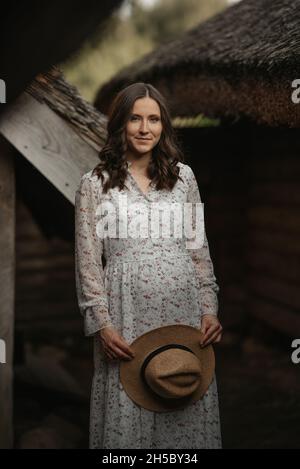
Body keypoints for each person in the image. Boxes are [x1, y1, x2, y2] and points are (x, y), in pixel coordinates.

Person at [74, 82, 223, 449]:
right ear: (120, 125)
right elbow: (88, 261)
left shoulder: (183, 177)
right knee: (130, 406)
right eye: (135, 119)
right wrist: (102, 325)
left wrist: (209, 309)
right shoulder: (95, 184)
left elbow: (197, 248)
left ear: (164, 125)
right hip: (126, 314)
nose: (145, 129)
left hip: (183, 313)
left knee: (180, 391)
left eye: (154, 119)